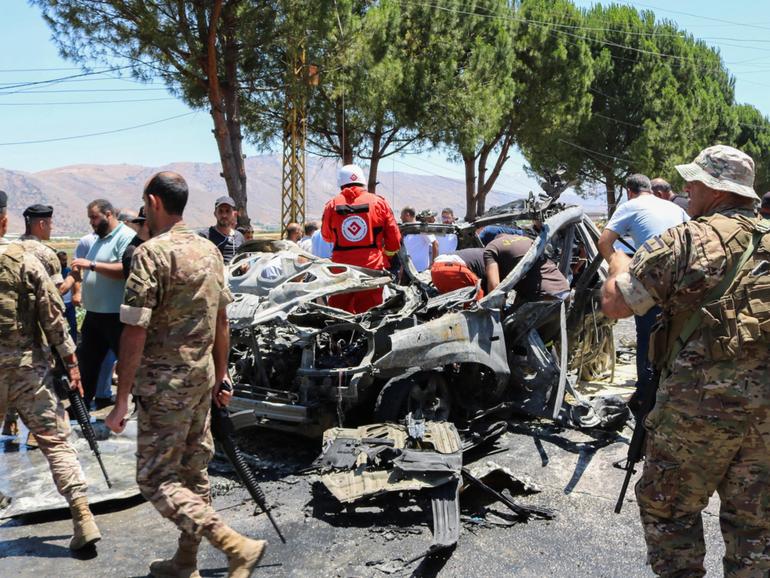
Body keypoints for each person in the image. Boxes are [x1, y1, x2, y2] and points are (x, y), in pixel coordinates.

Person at [601, 145, 770, 577]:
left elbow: (617, 305)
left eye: (694, 181)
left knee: (669, 509)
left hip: (696, 413)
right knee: (756, 524)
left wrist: (617, 259)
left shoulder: (686, 239)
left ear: (715, 189)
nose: (686, 188)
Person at [105, 172, 265, 577]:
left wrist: (121, 398)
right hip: (201, 382)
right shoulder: (210, 251)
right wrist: (222, 374)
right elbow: (222, 320)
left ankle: (235, 545)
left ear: (155, 202)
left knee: (155, 478)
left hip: (164, 386)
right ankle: (186, 562)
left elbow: (135, 330)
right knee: (194, 472)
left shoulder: (149, 254)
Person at [0, 190, 101, 551]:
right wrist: (71, 363)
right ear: (4, 221)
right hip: (30, 371)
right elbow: (54, 316)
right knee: (57, 444)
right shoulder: (25, 261)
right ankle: (83, 517)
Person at [598, 174, 689, 406]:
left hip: (654, 281)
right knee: (677, 335)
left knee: (647, 336)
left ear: (629, 191)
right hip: (683, 280)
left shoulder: (630, 206)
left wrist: (618, 265)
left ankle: (644, 394)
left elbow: (604, 242)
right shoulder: (672, 207)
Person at [71, 199, 135, 408]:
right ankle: (80, 409)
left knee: (127, 365)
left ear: (109, 214)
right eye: (90, 218)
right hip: (95, 314)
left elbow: (125, 269)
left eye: (94, 218)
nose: (92, 222)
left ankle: (141, 407)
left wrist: (92, 265)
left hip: (115, 315)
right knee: (87, 364)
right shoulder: (99, 238)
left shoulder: (125, 237)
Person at [321, 164, 401, 313]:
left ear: (341, 183)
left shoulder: (331, 205)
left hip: (341, 269)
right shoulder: (379, 202)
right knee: (369, 313)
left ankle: (340, 335)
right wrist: (386, 255)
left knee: (339, 312)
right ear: (363, 181)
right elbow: (394, 240)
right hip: (371, 268)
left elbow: (326, 236)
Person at [483, 233, 570, 302]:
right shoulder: (528, 240)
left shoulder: (492, 247)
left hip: (543, 299)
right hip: (564, 290)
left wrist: (498, 315)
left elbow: (494, 287)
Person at [199, 196, 244, 264]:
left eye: (227, 211)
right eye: (220, 211)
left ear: (234, 214)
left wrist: (244, 266)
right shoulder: (205, 236)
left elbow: (244, 259)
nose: (224, 215)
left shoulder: (239, 236)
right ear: (215, 214)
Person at [401, 206, 437, 272]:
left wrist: (433, 264)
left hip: (420, 270)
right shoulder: (406, 229)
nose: (400, 218)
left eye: (402, 215)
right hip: (407, 270)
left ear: (407, 215)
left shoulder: (421, 227)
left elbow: (435, 244)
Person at [57, 250, 77, 343]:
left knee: (73, 325)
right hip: (59, 304)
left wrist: (74, 296)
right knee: (59, 327)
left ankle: (74, 343)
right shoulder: (55, 272)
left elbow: (73, 284)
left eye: (66, 260)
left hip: (69, 303)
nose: (64, 262)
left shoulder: (68, 270)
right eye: (62, 260)